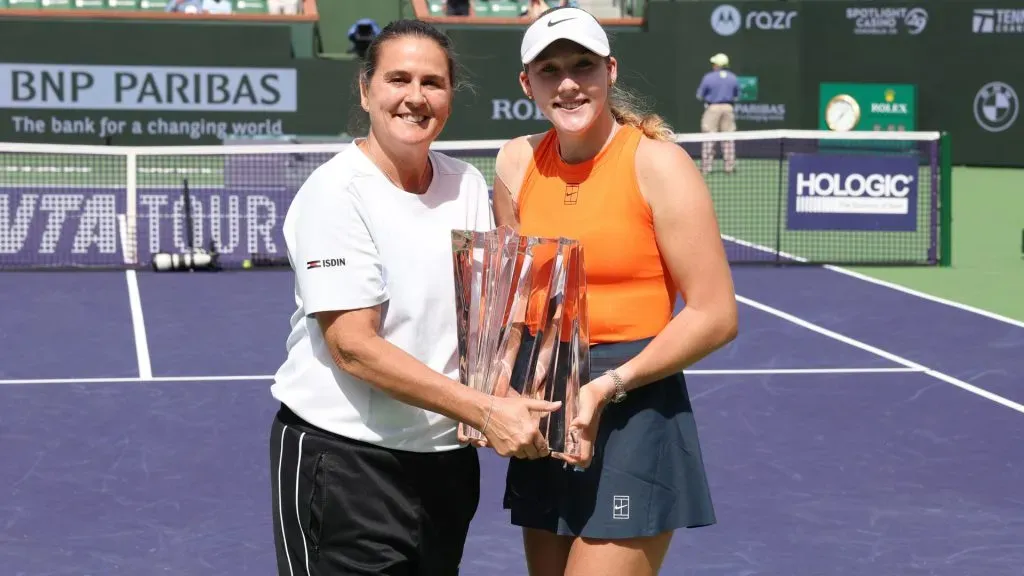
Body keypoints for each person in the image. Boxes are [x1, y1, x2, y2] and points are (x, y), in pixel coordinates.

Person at [268, 19, 563, 576]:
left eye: (432, 82)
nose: (415, 97)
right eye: (397, 79)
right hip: (345, 464)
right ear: (366, 89)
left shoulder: (467, 186)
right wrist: (486, 409)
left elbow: (491, 322)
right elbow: (352, 346)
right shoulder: (335, 193)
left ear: (451, 96)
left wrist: (545, 386)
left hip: (444, 468)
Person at [490, 7, 739, 576]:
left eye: (583, 65)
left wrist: (606, 386)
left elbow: (716, 314)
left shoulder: (659, 164)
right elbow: (510, 298)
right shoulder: (515, 161)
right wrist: (493, 389)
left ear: (610, 70)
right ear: (527, 84)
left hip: (634, 405)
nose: (569, 82)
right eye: (550, 70)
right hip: (546, 404)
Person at [696, 52, 739, 175]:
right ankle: (729, 167)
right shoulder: (733, 77)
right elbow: (737, 95)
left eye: (714, 63)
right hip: (728, 108)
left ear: (717, 65)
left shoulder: (708, 77)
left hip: (712, 108)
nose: (713, 65)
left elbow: (700, 95)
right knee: (728, 138)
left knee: (709, 137)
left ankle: (706, 167)